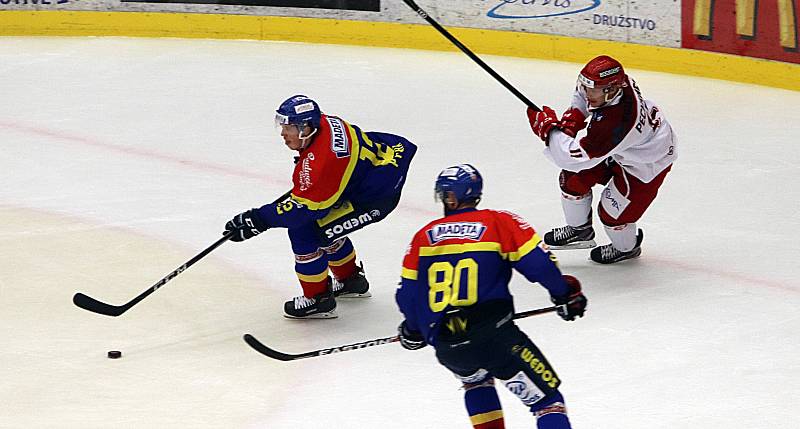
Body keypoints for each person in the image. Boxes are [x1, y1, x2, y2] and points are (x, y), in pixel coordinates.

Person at [396, 164, 587, 429]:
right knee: (547, 402)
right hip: (496, 339)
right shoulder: (498, 222)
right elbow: (539, 265)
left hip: (448, 345)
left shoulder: (423, 237)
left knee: (475, 381)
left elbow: (408, 294)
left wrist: (413, 328)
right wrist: (565, 294)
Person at [224, 95, 416, 319]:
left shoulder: (322, 163)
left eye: (289, 128)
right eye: (282, 125)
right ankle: (350, 280)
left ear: (307, 128)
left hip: (374, 198)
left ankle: (318, 299)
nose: (283, 133)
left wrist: (258, 219)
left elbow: (302, 212)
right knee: (325, 226)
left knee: (305, 231)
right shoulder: (323, 123)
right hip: (372, 171)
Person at [526, 55, 677, 264]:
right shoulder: (616, 85)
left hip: (646, 165)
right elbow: (582, 95)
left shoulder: (615, 123)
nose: (588, 93)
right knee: (572, 180)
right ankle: (579, 231)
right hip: (622, 149)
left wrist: (549, 130)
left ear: (612, 90)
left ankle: (626, 248)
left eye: (593, 89)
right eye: (587, 86)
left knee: (612, 215)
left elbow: (570, 157)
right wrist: (571, 122)